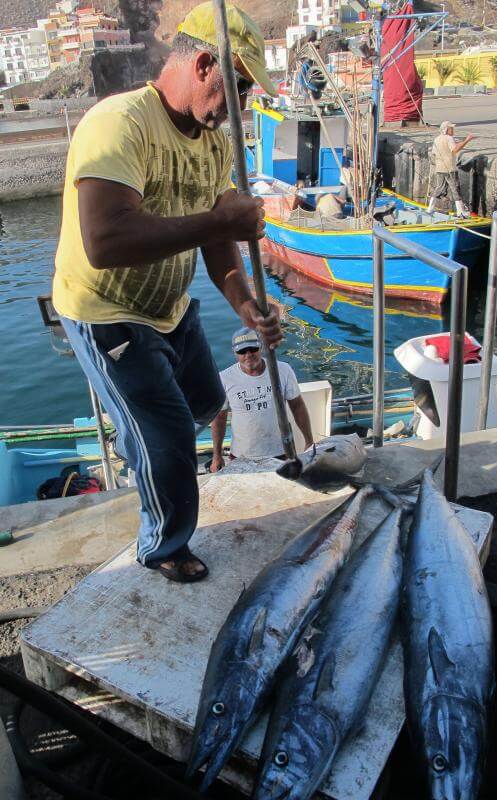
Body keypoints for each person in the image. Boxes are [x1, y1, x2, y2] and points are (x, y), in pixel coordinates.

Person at [52, 3, 282, 584]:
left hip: (168, 308)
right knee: (170, 437)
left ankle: (151, 444)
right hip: (107, 312)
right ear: (206, 65)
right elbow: (105, 240)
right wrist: (218, 223)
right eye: (242, 89)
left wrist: (245, 303)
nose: (245, 107)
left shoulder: (210, 143)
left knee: (206, 403)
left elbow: (219, 242)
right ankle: (162, 546)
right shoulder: (118, 123)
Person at [209, 327, 313, 471]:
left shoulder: (283, 370)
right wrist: (217, 455)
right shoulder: (224, 378)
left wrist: (309, 441)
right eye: (242, 351)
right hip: (241, 456)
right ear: (235, 353)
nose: (248, 355)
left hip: (282, 453)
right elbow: (219, 418)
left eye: (253, 349)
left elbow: (297, 406)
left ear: (261, 347)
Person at [427, 121, 474, 218]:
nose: (453, 130)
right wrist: (467, 140)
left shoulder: (436, 139)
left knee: (439, 188)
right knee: (455, 189)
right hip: (450, 168)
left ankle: (430, 208)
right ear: (446, 129)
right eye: (451, 128)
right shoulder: (449, 138)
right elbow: (455, 149)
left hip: (439, 168)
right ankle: (461, 211)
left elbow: (434, 153)